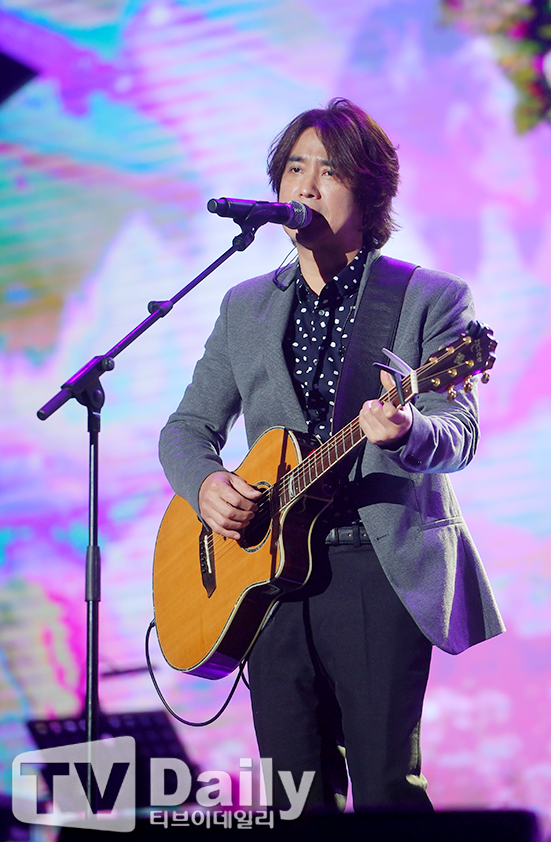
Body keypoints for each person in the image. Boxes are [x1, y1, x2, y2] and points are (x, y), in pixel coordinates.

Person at [159, 98, 504, 814]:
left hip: (377, 564)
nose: (307, 186)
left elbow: (460, 430)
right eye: (295, 169)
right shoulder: (245, 305)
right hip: (268, 577)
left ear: (370, 192)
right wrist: (207, 484)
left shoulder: (429, 298)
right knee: (294, 798)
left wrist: (407, 431)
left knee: (385, 792)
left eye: (329, 171)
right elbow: (186, 428)